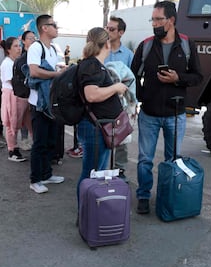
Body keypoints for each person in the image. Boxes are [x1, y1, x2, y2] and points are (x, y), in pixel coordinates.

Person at [130, 0, 203, 214]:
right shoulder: (146, 45)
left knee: (173, 160)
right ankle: (143, 196)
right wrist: (142, 97)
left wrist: (177, 78)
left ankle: (169, 195)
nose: (154, 23)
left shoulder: (187, 45)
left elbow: (198, 76)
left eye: (158, 19)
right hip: (149, 114)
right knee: (145, 159)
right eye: (152, 19)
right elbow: (133, 76)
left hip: (175, 114)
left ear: (170, 21)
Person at [77, 26, 128, 201]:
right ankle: (87, 213)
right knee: (92, 173)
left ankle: (90, 212)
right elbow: (91, 94)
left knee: (95, 171)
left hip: (97, 127)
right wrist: (116, 87)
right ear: (107, 43)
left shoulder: (92, 64)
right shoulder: (92, 65)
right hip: (94, 128)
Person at [26, 14, 66, 194]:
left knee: (51, 141)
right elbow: (34, 71)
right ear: (44, 28)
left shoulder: (53, 48)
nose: (57, 27)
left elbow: (56, 68)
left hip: (52, 102)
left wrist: (61, 71)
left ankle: (47, 174)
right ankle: (35, 180)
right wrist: (56, 75)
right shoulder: (36, 47)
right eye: (54, 25)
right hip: (39, 104)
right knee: (39, 143)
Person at [106, 16, 134, 170]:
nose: (108, 31)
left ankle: (119, 170)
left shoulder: (129, 55)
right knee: (102, 136)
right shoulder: (101, 50)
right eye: (106, 28)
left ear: (121, 32)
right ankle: (101, 171)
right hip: (101, 100)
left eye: (112, 29)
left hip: (121, 103)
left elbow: (132, 79)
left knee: (122, 137)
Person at [0, 35, 29, 162]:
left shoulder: (17, 62)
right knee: (12, 123)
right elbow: (12, 81)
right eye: (15, 46)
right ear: (8, 49)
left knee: (25, 121)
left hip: (21, 95)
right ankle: (12, 150)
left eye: (19, 46)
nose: (19, 48)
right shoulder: (7, 63)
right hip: (12, 95)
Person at [18, 30, 37, 148]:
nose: (32, 40)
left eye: (34, 38)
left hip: (33, 91)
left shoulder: (36, 53)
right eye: (30, 38)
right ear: (23, 41)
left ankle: (33, 138)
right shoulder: (22, 56)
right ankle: (24, 139)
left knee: (31, 117)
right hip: (24, 91)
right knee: (24, 116)